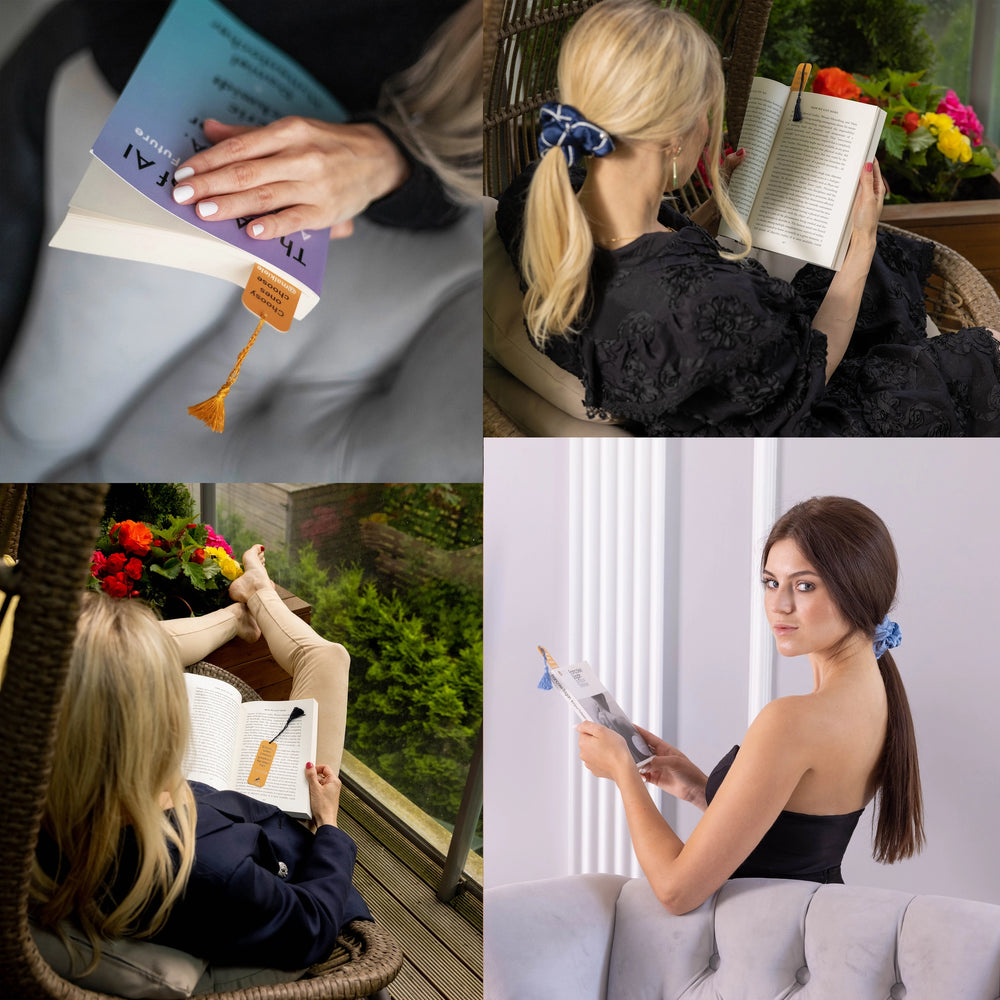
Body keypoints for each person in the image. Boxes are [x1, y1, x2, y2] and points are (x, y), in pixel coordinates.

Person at [0, 0, 481, 479]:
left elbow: (482, 166)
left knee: (40, 418)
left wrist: (385, 160)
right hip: (128, 60)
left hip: (247, 144)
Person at [495, 0, 1000, 436]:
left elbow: (648, 255)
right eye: (707, 115)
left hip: (729, 378)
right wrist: (862, 241)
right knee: (979, 359)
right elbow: (814, 365)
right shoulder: (708, 302)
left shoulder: (537, 200)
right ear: (672, 136)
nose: (710, 128)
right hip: (799, 425)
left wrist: (715, 207)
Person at [576, 496, 924, 914]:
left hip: (766, 943)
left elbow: (676, 891)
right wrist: (695, 788)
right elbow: (796, 840)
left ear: (857, 587)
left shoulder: (794, 720)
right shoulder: (877, 694)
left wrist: (621, 773)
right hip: (811, 926)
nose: (779, 605)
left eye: (805, 585)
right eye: (771, 582)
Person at [31, 545, 369, 974]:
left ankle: (241, 609)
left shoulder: (47, 815)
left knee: (115, 652)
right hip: (278, 838)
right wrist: (328, 826)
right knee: (327, 657)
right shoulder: (211, 873)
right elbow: (314, 924)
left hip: (179, 803)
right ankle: (257, 595)